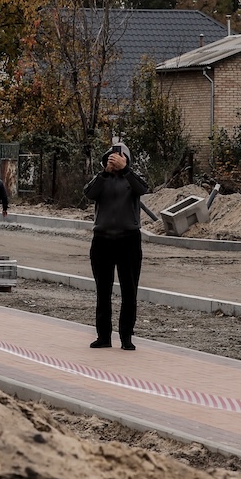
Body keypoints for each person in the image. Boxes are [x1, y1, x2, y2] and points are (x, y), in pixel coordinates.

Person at [84, 143, 149, 351]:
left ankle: (126, 337)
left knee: (129, 290)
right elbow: (89, 193)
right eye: (111, 157)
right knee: (103, 290)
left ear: (127, 159)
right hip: (102, 240)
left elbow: (143, 188)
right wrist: (105, 173)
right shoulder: (101, 179)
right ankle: (103, 336)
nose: (114, 160)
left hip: (128, 239)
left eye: (119, 157)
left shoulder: (132, 178)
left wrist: (126, 170)